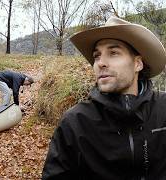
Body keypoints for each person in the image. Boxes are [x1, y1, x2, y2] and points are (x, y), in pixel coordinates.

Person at [42, 16, 166, 179]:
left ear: (138, 64)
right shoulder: (76, 122)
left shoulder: (163, 109)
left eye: (113, 53)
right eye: (97, 56)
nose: (101, 63)